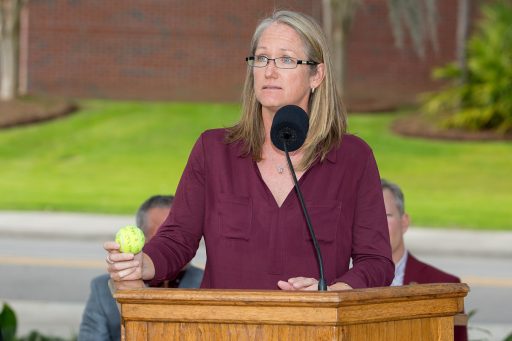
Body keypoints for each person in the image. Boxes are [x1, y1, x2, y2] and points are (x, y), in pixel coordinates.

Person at [104, 10, 393, 291]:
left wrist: (330, 292)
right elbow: (178, 238)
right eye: (262, 58)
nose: (269, 71)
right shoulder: (214, 150)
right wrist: (144, 263)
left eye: (286, 60)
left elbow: (376, 261)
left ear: (316, 74)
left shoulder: (353, 157)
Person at [79, 195, 203, 341]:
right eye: (163, 237)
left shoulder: (209, 284)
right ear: (141, 239)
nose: (173, 243)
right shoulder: (101, 289)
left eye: (181, 236)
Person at [381, 178, 468, 341]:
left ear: (404, 222)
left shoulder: (445, 288)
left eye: (386, 215)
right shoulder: (340, 288)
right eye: (367, 218)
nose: (376, 225)